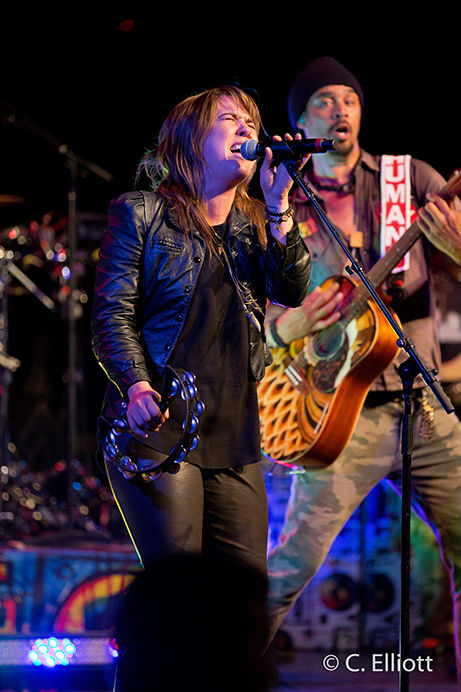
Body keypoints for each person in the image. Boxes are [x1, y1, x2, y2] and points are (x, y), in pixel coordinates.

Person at [263, 57, 461, 683]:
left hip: (423, 405)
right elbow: (257, 313)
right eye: (324, 101)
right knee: (288, 570)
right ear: (299, 121)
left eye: (349, 99)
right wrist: (289, 326)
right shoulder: (282, 202)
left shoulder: (410, 179)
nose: (340, 110)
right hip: (336, 416)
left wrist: (455, 248)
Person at [91, 85, 311, 582]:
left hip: (234, 436)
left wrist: (279, 204)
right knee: (179, 597)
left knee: (243, 601)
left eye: (251, 120)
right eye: (229, 118)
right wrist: (136, 386)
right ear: (191, 140)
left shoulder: (257, 225)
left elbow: (292, 290)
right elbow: (111, 314)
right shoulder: (141, 213)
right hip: (157, 431)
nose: (247, 127)